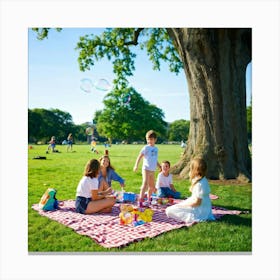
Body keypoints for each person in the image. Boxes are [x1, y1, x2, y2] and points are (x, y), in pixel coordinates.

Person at [165, 158, 215, 223]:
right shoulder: (202, 180)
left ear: (195, 170)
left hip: (199, 211)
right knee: (177, 206)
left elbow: (197, 203)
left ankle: (191, 218)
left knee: (169, 210)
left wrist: (184, 205)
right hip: (204, 208)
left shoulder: (200, 184)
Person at [133, 130, 161, 207]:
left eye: (151, 139)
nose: (149, 141)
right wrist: (136, 165)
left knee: (152, 186)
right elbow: (140, 157)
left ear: (155, 140)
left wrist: (159, 166)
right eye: (148, 139)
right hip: (146, 169)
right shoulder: (146, 148)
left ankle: (149, 199)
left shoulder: (156, 149)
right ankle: (140, 200)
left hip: (152, 170)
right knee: (145, 183)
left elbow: (155, 159)